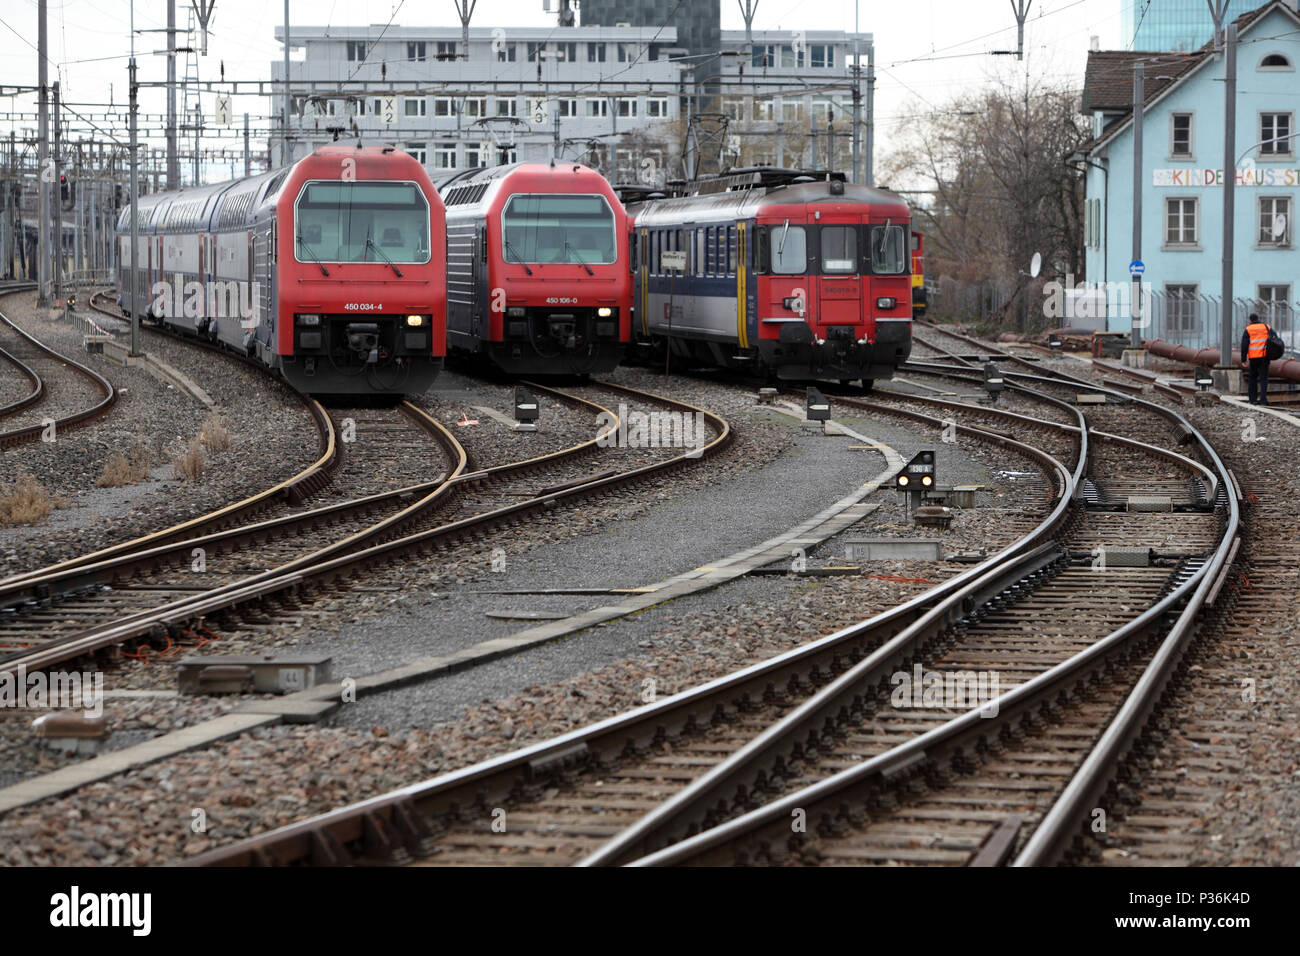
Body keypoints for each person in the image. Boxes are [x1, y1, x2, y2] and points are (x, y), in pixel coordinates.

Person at [1240, 313, 1271, 405]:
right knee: (1264, 379)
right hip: (1264, 357)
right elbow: (1275, 340)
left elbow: (1244, 345)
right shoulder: (1266, 327)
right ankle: (1263, 400)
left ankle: (1253, 399)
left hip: (1253, 358)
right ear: (1258, 319)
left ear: (1250, 320)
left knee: (1253, 378)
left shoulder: (1248, 329)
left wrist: (1243, 359)